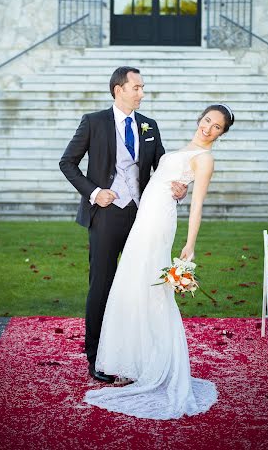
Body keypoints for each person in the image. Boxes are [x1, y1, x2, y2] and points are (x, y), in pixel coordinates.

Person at [84, 103, 235, 420]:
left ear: (222, 133)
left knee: (151, 289)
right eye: (207, 120)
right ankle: (131, 362)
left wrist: (190, 244)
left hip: (159, 222)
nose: (208, 128)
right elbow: (159, 174)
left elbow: (197, 205)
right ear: (200, 118)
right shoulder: (186, 148)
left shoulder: (205, 159)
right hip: (143, 217)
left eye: (216, 127)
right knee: (132, 284)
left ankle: (153, 364)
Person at [59, 66, 187, 384]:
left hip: (142, 216)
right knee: (101, 285)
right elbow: (67, 162)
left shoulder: (149, 126)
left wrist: (179, 185)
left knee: (139, 286)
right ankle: (97, 358)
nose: (141, 93)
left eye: (142, 88)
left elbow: (162, 166)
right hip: (105, 215)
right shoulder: (94, 122)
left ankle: (136, 353)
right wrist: (95, 192)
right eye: (137, 87)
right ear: (119, 89)